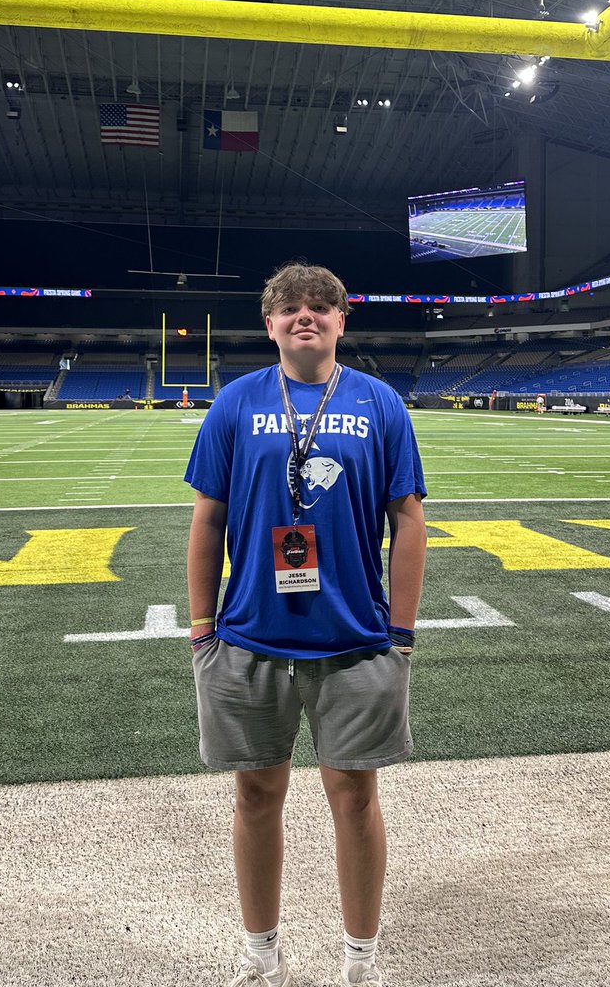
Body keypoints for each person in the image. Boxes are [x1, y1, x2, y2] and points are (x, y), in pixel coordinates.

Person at [185, 262, 427, 987]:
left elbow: (408, 522)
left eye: (321, 307)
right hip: (249, 637)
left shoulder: (380, 404)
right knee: (255, 795)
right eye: (290, 308)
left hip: (355, 643)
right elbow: (207, 521)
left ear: (341, 321)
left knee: (354, 800)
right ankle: (261, 951)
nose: (306, 317)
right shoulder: (234, 404)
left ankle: (361, 960)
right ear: (270, 324)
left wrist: (402, 633)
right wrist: (202, 629)